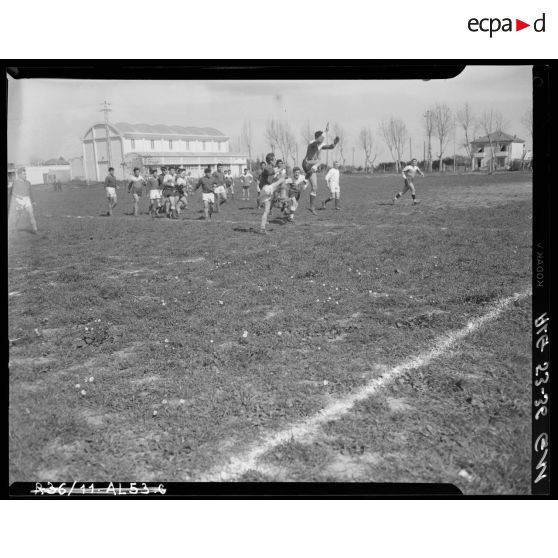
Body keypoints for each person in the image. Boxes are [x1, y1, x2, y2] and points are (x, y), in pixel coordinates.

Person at [302, 130, 339, 214]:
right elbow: (318, 141)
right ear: (318, 137)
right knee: (319, 161)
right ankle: (306, 179)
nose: (323, 139)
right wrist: (326, 131)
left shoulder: (321, 145)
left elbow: (331, 147)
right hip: (307, 163)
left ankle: (311, 207)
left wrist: (335, 143)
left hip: (312, 167)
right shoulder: (312, 142)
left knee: (315, 187)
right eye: (322, 137)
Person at [258, 153, 287, 234]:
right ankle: (284, 200)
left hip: (266, 190)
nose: (275, 161)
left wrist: (280, 170)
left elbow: (272, 176)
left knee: (266, 211)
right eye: (274, 159)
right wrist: (281, 168)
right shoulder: (267, 167)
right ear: (270, 160)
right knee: (282, 180)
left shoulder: (272, 168)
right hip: (266, 189)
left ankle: (262, 229)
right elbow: (270, 172)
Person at [10, 168, 38, 233]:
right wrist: (17, 196)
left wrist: (33, 201)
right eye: (23, 174)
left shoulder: (28, 182)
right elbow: (12, 192)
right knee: (18, 216)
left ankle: (35, 229)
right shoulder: (15, 182)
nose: (25, 175)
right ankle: (14, 228)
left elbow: (30, 192)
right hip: (19, 201)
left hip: (27, 199)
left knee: (31, 213)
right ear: (19, 175)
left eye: (25, 174)